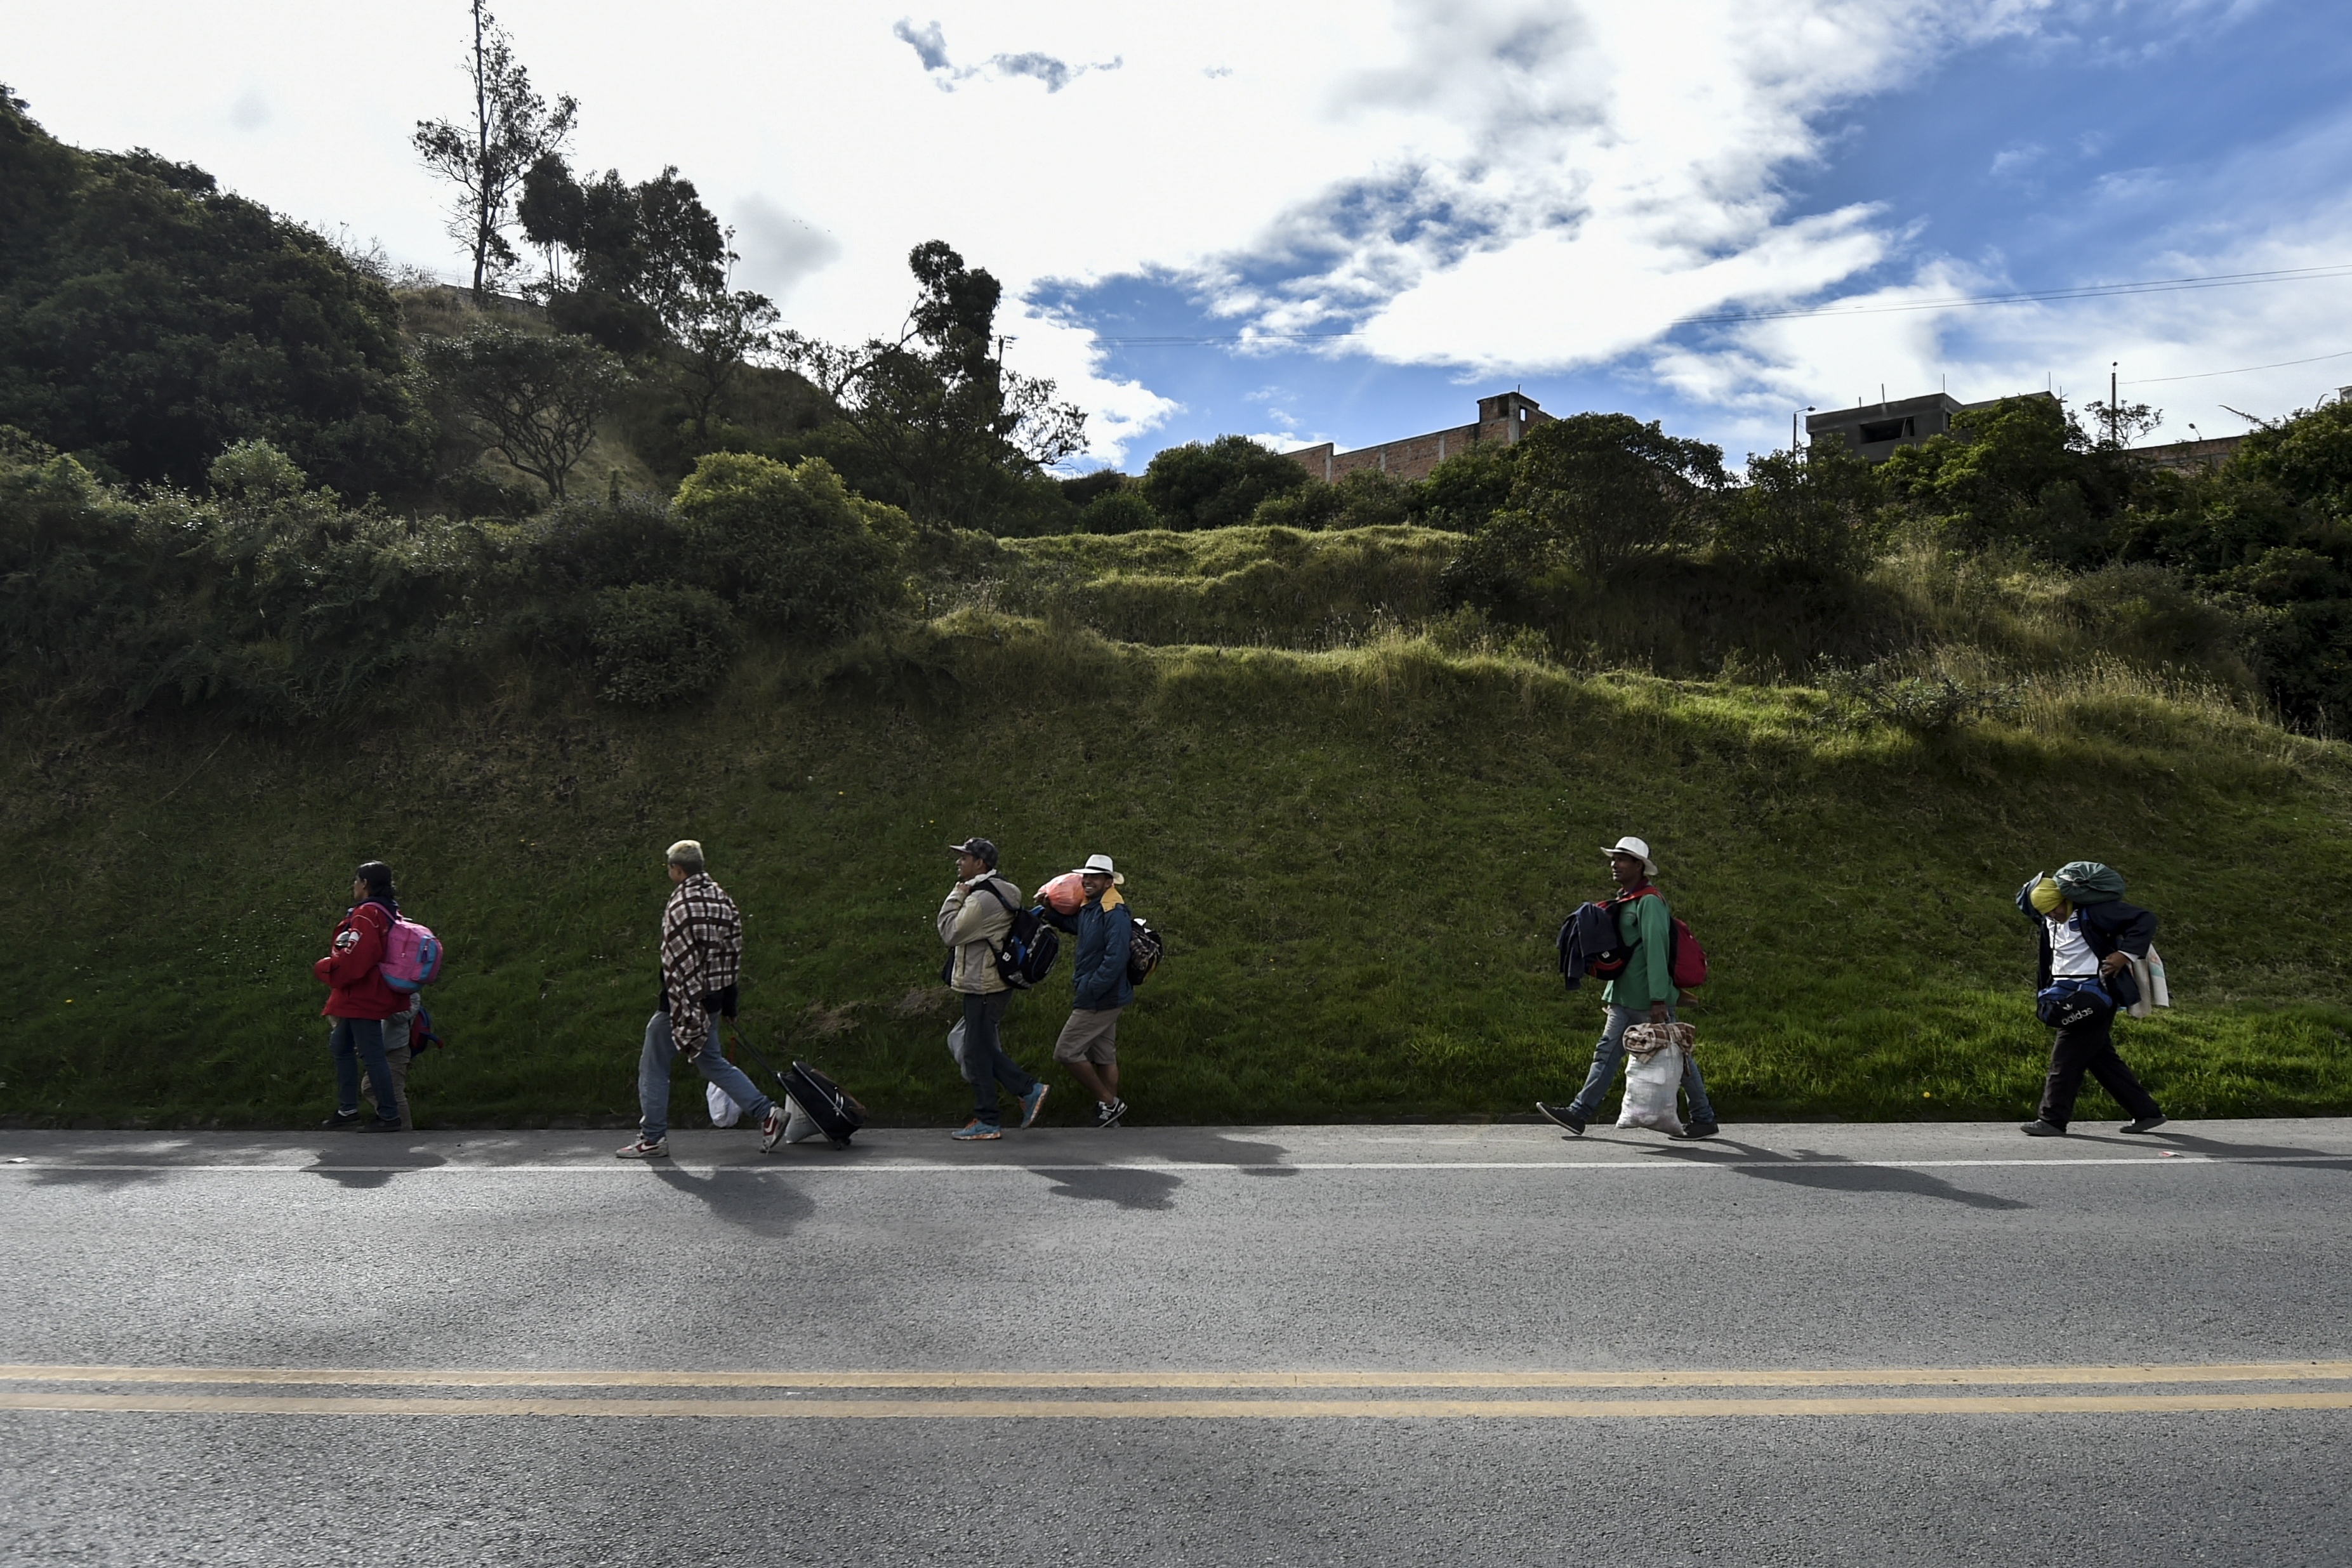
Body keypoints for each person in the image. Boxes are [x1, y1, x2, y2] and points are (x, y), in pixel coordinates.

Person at [1536, 836, 1720, 1139]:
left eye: (1622, 859)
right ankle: (1579, 1113)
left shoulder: (1650, 902)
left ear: (1639, 865)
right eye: (1614, 858)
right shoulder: (1628, 900)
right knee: (1607, 1054)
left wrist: (1659, 999)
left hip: (1648, 1000)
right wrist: (1612, 993)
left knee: (1677, 1055)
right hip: (1623, 997)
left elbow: (1656, 952)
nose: (1614, 864)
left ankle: (1704, 1117)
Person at [616, 840, 787, 1159]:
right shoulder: (723, 900)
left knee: (654, 1065)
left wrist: (679, 1010)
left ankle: (652, 1138)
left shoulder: (681, 906)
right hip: (715, 1000)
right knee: (712, 1062)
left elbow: (677, 966)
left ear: (677, 870)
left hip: (682, 1003)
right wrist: (730, 1004)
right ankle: (767, 1114)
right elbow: (733, 956)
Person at [2017, 863, 2168, 1137]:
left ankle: (2052, 1119)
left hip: (2094, 994)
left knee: (2065, 1057)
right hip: (2063, 991)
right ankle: (2146, 1112)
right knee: (2100, 1058)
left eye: (2055, 907)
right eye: (2046, 911)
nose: (2053, 914)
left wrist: (2125, 955)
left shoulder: (2095, 912)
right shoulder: (2048, 920)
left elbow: (2145, 919)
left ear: (2066, 900)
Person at [937, 836, 1048, 1140]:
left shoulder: (980, 899)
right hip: (992, 982)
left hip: (984, 985)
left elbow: (949, 931)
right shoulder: (1000, 889)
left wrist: (956, 895)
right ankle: (1008, 1103)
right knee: (979, 1049)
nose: (959, 862)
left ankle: (1010, 1102)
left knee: (976, 1052)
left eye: (964, 858)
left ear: (980, 864)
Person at [1040, 853, 1134, 1128]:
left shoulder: (1114, 913)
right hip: (1103, 994)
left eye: (1094, 877)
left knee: (1066, 1051)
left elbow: (1116, 959)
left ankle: (1109, 1102)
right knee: (1104, 1055)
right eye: (1086, 876)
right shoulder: (1093, 908)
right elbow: (1077, 927)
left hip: (1101, 997)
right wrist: (1050, 912)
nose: (1087, 881)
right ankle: (1110, 1116)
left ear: (1109, 882)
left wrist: (1091, 988)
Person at [314, 861, 407, 1133]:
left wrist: (326, 968)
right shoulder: (389, 911)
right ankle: (348, 1110)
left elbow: (357, 959)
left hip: (362, 993)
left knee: (372, 1054)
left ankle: (389, 1115)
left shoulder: (367, 914)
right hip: (369, 990)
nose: (353, 885)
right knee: (340, 1046)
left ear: (365, 883)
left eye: (356, 880)